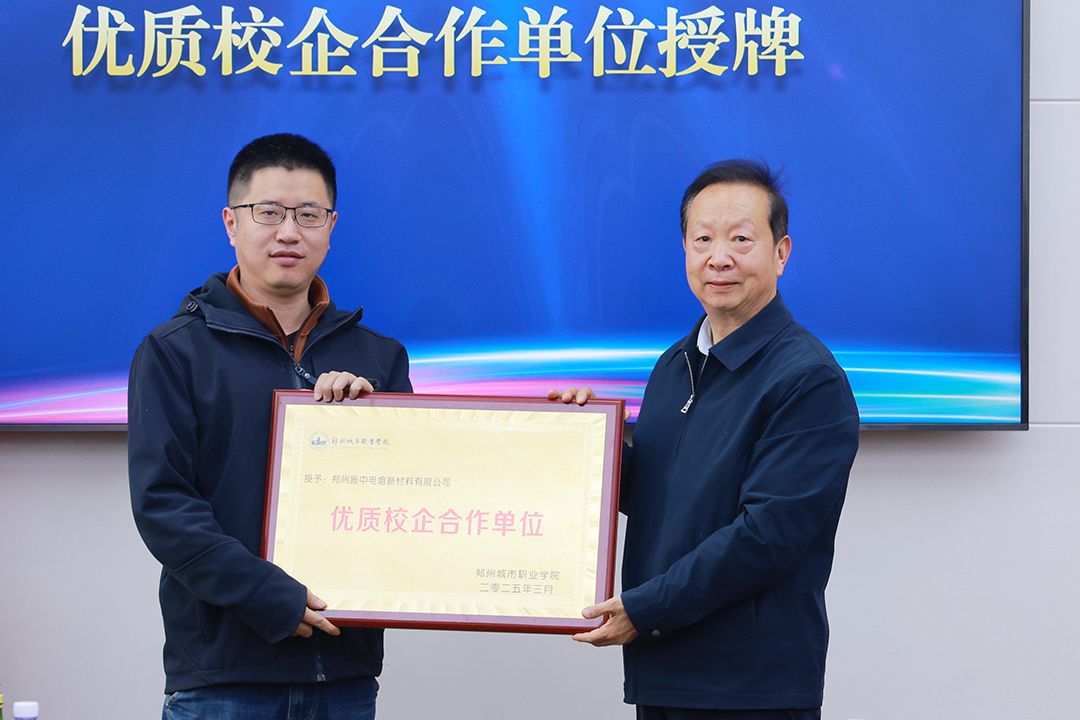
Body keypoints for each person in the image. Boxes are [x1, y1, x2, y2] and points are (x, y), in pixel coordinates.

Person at [128, 133, 410, 719]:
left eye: (308, 215)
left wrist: (376, 424)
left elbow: (414, 497)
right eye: (269, 213)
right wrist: (270, 596)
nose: (289, 232)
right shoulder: (175, 351)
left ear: (331, 227)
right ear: (231, 223)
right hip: (223, 677)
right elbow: (164, 507)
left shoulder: (379, 359)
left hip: (345, 672)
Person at [566, 160, 860, 720]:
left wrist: (646, 608)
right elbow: (658, 494)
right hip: (664, 671)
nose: (718, 258)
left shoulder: (808, 379)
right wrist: (582, 441)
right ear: (685, 250)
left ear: (781, 253)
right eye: (702, 239)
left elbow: (767, 536)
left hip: (750, 687)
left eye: (741, 239)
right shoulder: (674, 365)